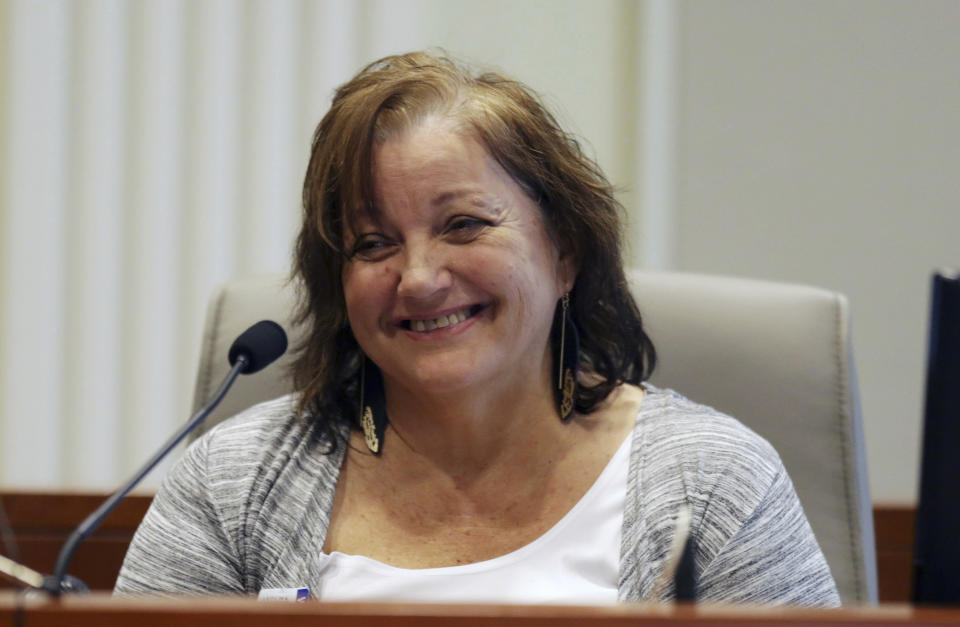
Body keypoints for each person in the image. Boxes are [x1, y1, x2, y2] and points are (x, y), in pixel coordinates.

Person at [115, 52, 839, 606]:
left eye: (463, 225)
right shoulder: (232, 485)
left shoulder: (715, 483)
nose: (419, 277)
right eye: (373, 243)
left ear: (565, 253)